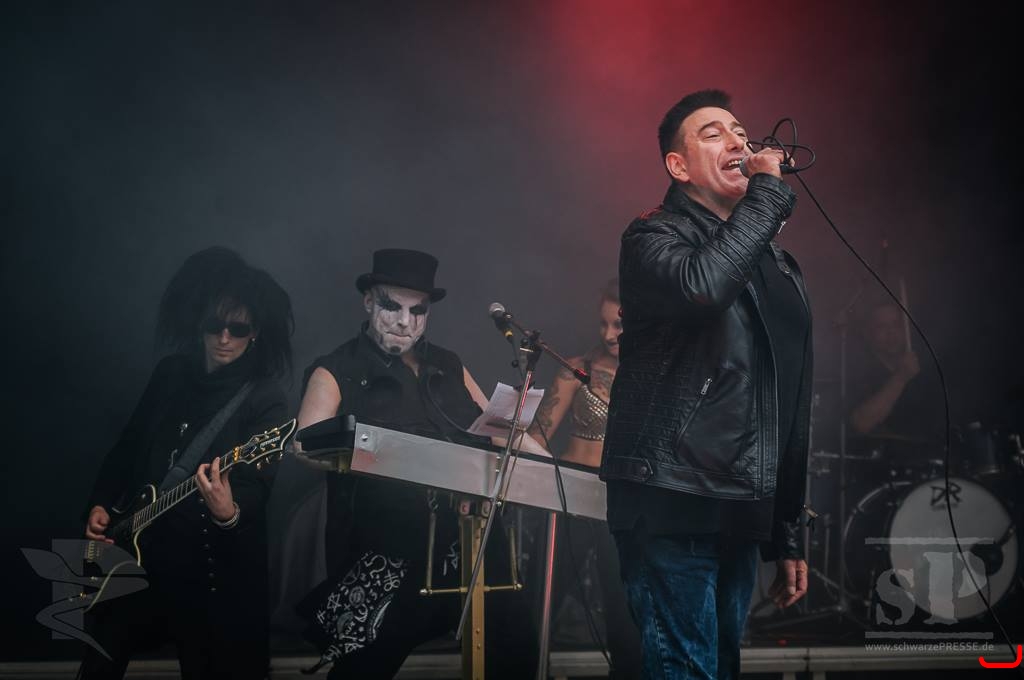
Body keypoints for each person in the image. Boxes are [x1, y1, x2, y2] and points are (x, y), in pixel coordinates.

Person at [600, 89, 813, 679]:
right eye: (714, 134)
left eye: (741, 131)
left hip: (740, 507)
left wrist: (786, 529)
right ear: (679, 166)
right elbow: (704, 286)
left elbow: (789, 401)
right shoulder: (652, 237)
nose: (738, 141)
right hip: (671, 499)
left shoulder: (777, 265)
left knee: (719, 668)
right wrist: (767, 194)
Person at [294, 248, 539, 679]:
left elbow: (498, 430)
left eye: (418, 310)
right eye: (392, 306)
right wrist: (367, 454)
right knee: (363, 665)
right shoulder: (336, 370)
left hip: (470, 542)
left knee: (515, 649)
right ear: (368, 301)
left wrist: (557, 472)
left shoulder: (448, 364)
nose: (404, 321)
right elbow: (301, 446)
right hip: (388, 551)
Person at [79, 247, 294, 679]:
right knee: (98, 663)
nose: (224, 337)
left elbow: (259, 488)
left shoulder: (265, 396)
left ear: (255, 332)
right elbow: (128, 447)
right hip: (138, 556)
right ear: (199, 323)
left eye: (238, 328)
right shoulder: (171, 373)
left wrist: (229, 512)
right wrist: (101, 503)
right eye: (215, 325)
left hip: (209, 576)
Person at [528, 278, 642, 678]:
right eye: (603, 323)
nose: (609, 334)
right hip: (568, 498)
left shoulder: (654, 379)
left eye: (619, 325)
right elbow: (535, 439)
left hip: (620, 504)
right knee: (539, 605)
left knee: (626, 614)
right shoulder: (576, 370)